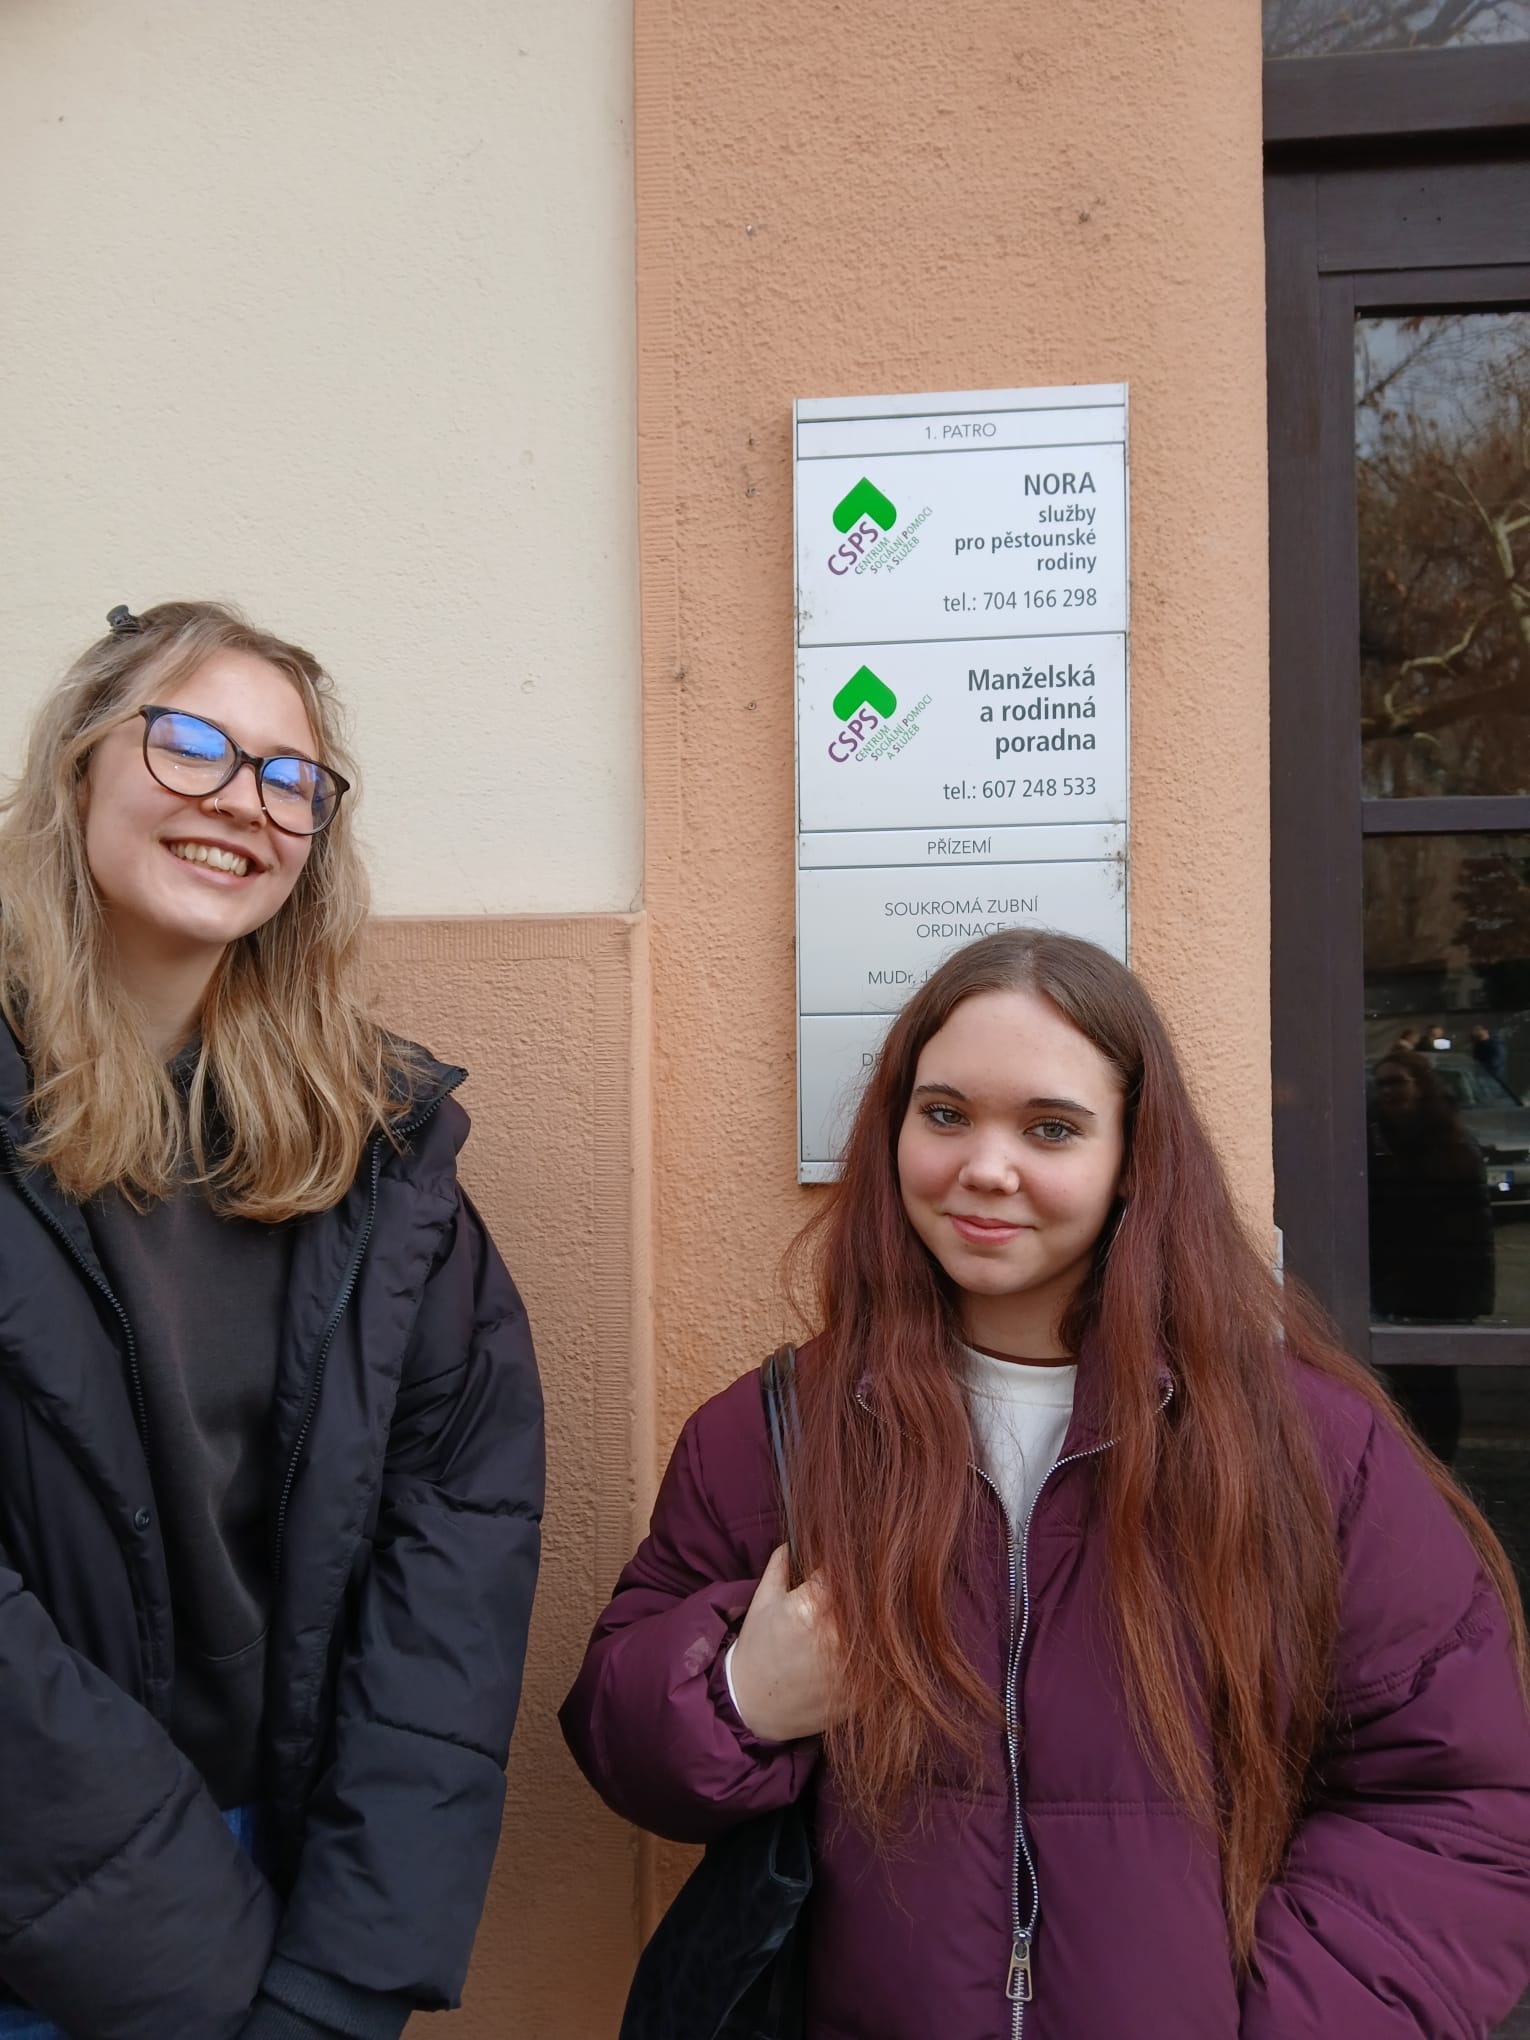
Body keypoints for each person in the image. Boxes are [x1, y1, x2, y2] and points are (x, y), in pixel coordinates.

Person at [561, 929, 1530, 2039]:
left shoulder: (1305, 1450)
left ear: (1135, 1157)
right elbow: (617, 1736)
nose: (985, 1166)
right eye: (944, 1114)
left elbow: (1449, 1804)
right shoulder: (773, 1434)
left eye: (1051, 1128)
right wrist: (740, 1696)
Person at [0, 604, 543, 2040]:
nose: (244, 800)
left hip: (292, 1884)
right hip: (43, 1903)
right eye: (190, 745)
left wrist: (342, 1979)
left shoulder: (377, 1158)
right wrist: (212, 1976)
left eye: (290, 777)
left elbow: (453, 1570)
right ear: (78, 767)